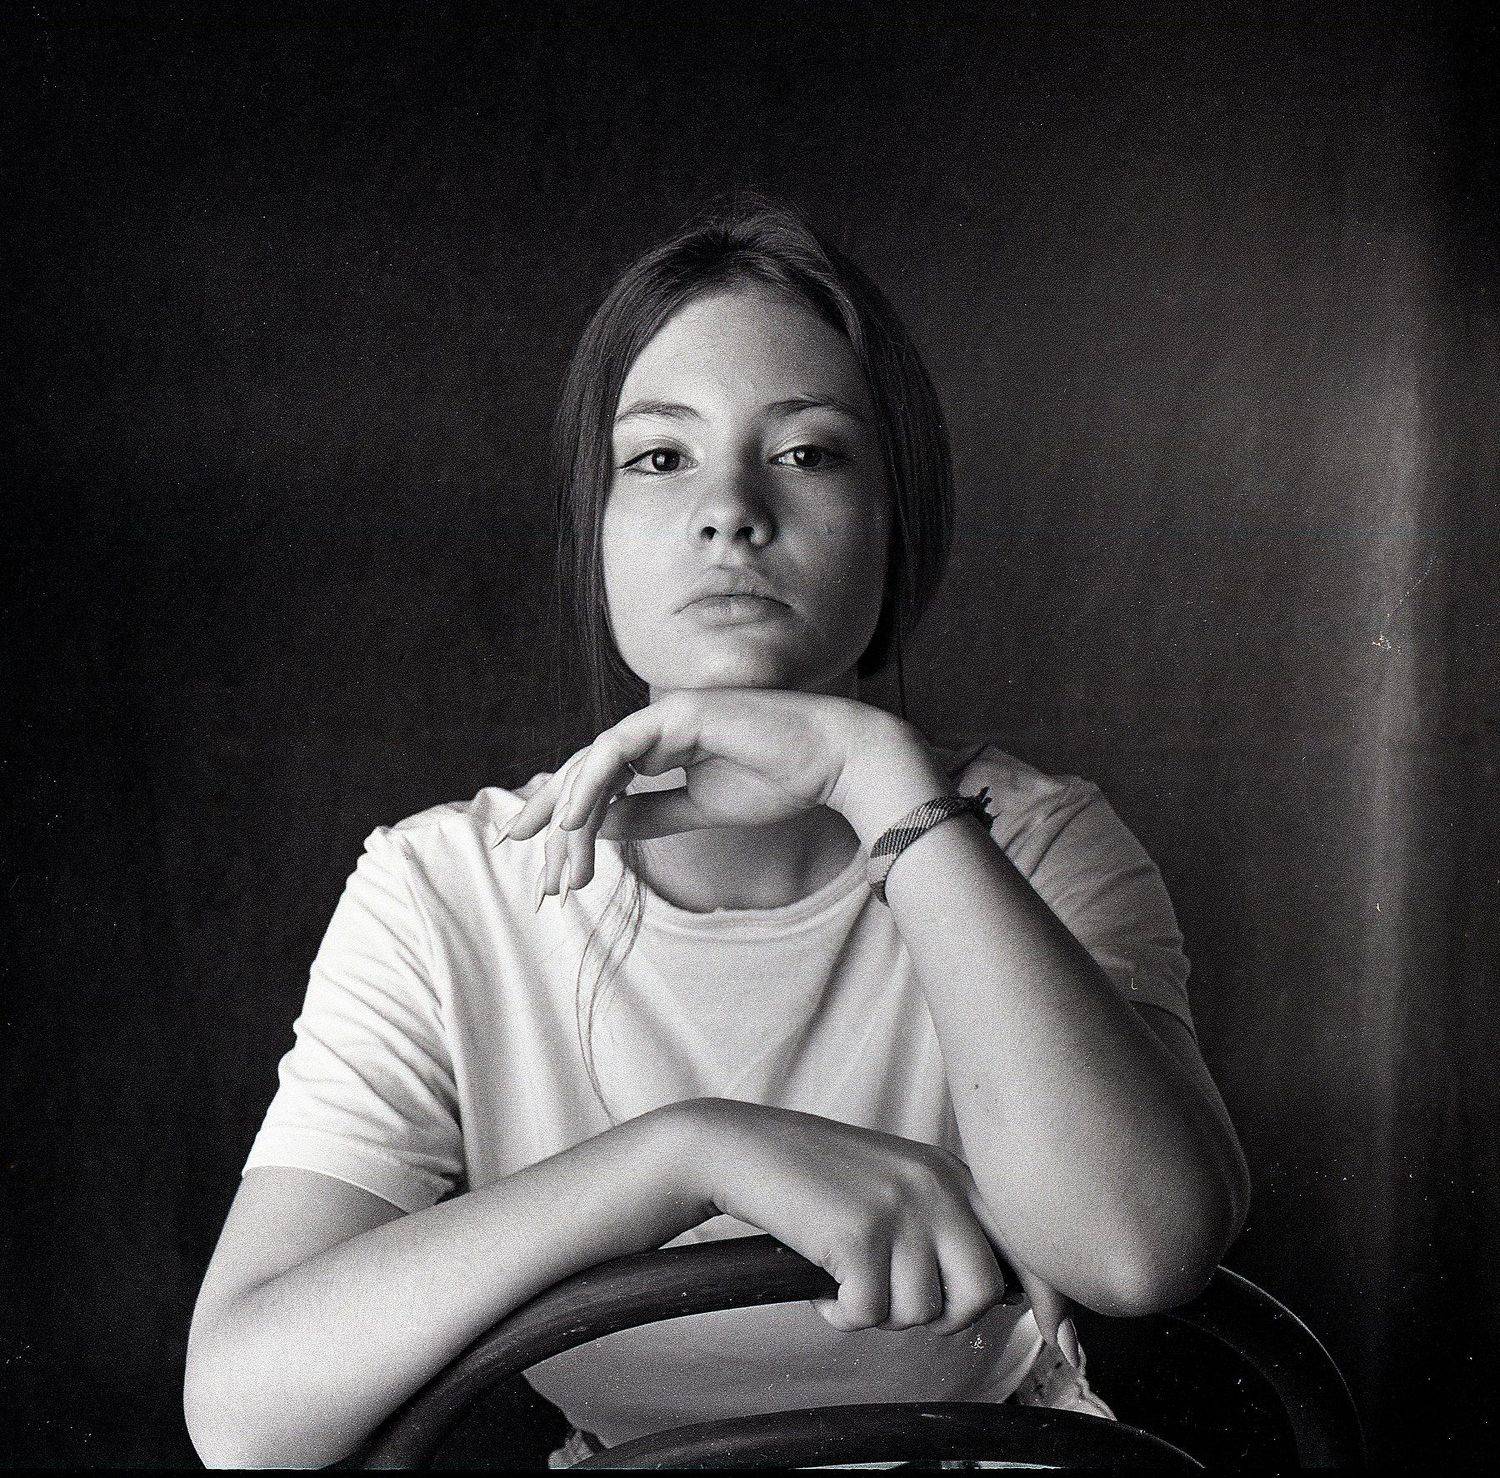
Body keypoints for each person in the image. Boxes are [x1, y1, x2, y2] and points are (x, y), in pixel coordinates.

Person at [183, 197, 1251, 1469]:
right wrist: (689, 1152)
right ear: (594, 533)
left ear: (898, 521)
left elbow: (1138, 1250)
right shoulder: (444, 890)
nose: (731, 508)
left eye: (806, 452)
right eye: (658, 458)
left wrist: (874, 776)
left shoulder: (1033, 843)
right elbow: (244, 1414)